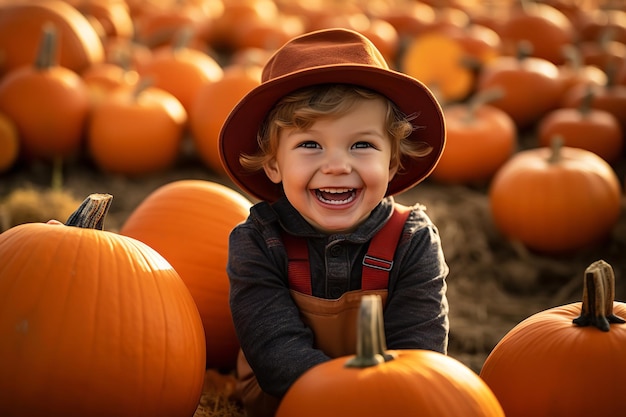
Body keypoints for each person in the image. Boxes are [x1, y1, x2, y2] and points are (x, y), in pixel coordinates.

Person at [218, 28, 449, 417]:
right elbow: (277, 355)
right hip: (286, 401)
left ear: (392, 162)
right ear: (274, 163)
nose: (338, 166)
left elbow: (419, 353)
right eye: (310, 145)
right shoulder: (258, 242)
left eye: (362, 145)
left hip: (386, 401)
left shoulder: (413, 241)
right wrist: (347, 402)